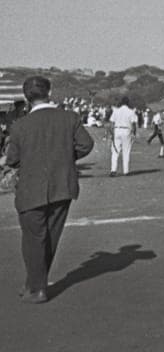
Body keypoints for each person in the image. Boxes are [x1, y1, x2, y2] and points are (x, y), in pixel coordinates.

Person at [3, 76, 95, 303]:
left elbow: (13, 159)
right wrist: (64, 158)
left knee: (33, 239)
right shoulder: (70, 118)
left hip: (31, 187)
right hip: (62, 185)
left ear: (26, 98)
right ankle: (34, 284)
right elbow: (86, 145)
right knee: (51, 236)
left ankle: (37, 288)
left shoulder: (20, 125)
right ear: (49, 93)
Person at [107, 96, 137, 176]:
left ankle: (113, 170)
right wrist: (134, 133)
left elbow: (111, 123)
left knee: (115, 151)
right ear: (128, 103)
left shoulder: (116, 111)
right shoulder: (131, 112)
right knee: (126, 151)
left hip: (117, 130)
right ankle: (126, 171)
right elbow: (134, 124)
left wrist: (111, 133)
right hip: (126, 130)